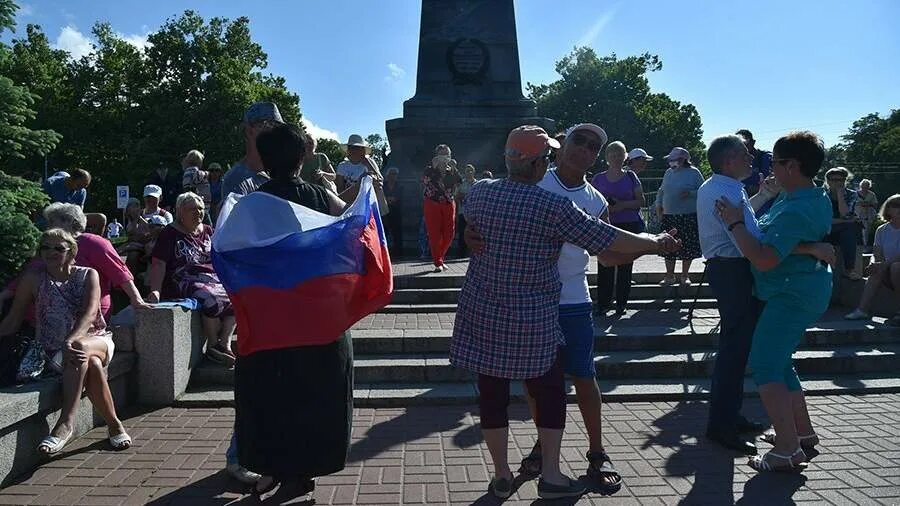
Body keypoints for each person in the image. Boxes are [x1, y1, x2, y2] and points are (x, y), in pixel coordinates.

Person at [452, 125, 680, 499]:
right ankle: (549, 463)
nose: (586, 150)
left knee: (568, 380)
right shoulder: (552, 201)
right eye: (579, 141)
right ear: (551, 156)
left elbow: (607, 252)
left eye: (594, 147)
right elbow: (608, 240)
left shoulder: (488, 191)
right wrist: (656, 243)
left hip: (558, 301)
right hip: (538, 308)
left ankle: (583, 454)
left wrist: (641, 248)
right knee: (544, 387)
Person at [230, 123, 385, 498]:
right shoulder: (322, 197)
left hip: (270, 323)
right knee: (317, 398)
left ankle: (274, 468)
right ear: (304, 157)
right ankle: (302, 471)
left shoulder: (249, 205)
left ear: (263, 160)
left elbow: (231, 257)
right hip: (321, 322)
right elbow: (354, 236)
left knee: (270, 396)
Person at [698, 135, 834, 455]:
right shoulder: (722, 190)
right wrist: (809, 246)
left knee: (746, 350)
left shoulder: (727, 187)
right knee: (738, 351)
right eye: (747, 154)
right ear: (729, 160)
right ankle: (723, 424)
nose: (756, 160)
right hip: (734, 271)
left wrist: (759, 199)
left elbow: (754, 230)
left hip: (743, 273)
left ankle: (731, 418)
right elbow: (753, 244)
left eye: (771, 160)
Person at [0, 229, 132, 455]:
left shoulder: (88, 275)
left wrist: (71, 339)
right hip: (53, 351)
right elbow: (14, 318)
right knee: (91, 365)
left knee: (80, 348)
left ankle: (66, 423)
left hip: (96, 340)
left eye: (59, 248)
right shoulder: (33, 279)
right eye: (46, 247)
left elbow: (90, 314)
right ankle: (114, 424)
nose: (51, 252)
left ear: (71, 252)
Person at [147, 192, 236, 367]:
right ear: (180, 212)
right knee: (210, 299)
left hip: (212, 278)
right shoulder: (170, 233)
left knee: (239, 295)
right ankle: (212, 344)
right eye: (192, 209)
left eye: (201, 209)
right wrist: (155, 290)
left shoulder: (208, 230)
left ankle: (224, 343)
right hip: (183, 278)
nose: (198, 213)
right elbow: (158, 264)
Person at [591, 142, 647, 314]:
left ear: (625, 157)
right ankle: (603, 303)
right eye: (612, 154)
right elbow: (591, 201)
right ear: (607, 157)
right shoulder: (598, 179)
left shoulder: (631, 177)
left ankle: (622, 303)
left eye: (619, 154)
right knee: (604, 264)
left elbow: (641, 201)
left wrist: (622, 205)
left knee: (625, 265)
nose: (616, 157)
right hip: (606, 223)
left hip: (628, 224)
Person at [845, 194, 900, 323]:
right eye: (896, 206)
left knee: (896, 267)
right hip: (888, 270)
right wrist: (875, 264)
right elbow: (877, 253)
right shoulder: (882, 230)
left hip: (895, 268)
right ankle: (862, 310)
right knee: (876, 270)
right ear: (888, 209)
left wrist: (884, 264)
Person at [656, 147, 704, 285]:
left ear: (683, 159)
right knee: (667, 245)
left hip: (688, 215)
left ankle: (685, 275)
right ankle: (669, 276)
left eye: (673, 159)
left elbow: (702, 190)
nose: (671, 162)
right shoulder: (668, 173)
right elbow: (662, 190)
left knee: (687, 246)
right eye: (670, 159)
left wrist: (690, 193)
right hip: (669, 215)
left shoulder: (694, 172)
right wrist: (659, 205)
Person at [221, 102, 285, 199]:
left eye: (277, 128)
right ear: (249, 130)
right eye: (267, 126)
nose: (274, 133)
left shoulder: (277, 175)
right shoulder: (235, 179)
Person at [422, 145, 461, 272]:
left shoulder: (452, 170)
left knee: (450, 233)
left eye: (446, 155)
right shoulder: (429, 169)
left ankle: (440, 257)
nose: (443, 158)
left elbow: (459, 181)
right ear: (436, 156)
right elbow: (425, 181)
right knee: (434, 233)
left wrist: (454, 168)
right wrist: (434, 167)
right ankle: (438, 262)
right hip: (432, 203)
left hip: (449, 203)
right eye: (441, 154)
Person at [823, 167, 862, 280]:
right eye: (834, 180)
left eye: (841, 180)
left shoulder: (852, 194)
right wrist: (845, 220)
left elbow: (845, 214)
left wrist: (840, 195)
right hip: (826, 229)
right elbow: (824, 220)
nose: (838, 182)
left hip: (843, 230)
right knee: (847, 225)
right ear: (828, 181)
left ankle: (849, 269)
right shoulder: (822, 196)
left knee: (849, 229)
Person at [736, 129, 773, 196]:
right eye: (738, 144)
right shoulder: (734, 163)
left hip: (768, 204)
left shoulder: (767, 158)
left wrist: (759, 189)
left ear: (753, 142)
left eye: (745, 143)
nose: (742, 147)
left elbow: (779, 185)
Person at [455, 164, 477, 257]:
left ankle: (474, 253)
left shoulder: (478, 183)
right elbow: (456, 196)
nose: (469, 172)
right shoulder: (461, 184)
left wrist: (466, 195)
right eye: (467, 171)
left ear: (474, 172)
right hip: (463, 212)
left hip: (475, 213)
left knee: (475, 233)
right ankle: (461, 254)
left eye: (471, 170)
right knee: (462, 234)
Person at [383, 167, 405, 256]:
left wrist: (394, 199)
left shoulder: (400, 186)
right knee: (385, 232)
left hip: (396, 211)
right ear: (387, 175)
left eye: (395, 174)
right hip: (385, 211)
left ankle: (399, 253)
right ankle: (384, 252)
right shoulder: (383, 185)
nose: (393, 176)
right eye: (391, 174)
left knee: (397, 233)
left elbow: (401, 196)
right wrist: (387, 199)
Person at [855, 179, 879, 251]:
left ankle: (864, 247)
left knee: (866, 232)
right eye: (863, 186)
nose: (865, 188)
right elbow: (852, 204)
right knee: (856, 231)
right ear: (861, 186)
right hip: (857, 216)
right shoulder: (855, 194)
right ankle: (858, 246)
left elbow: (875, 204)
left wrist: (868, 204)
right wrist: (860, 204)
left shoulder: (871, 194)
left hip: (868, 216)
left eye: (866, 186)